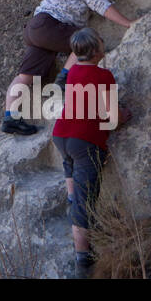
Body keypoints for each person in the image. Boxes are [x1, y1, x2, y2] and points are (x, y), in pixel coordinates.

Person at [1, 0, 136, 135]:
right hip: (49, 25)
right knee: (86, 39)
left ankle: (11, 117)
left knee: (25, 76)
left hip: (37, 29)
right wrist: (129, 24)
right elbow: (99, 4)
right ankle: (64, 79)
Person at [51, 27, 130, 275]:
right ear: (96, 50)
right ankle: (84, 257)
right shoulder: (103, 75)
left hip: (61, 134)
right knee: (86, 205)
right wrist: (124, 115)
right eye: (101, 41)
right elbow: (113, 118)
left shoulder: (73, 70)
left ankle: (71, 198)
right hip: (84, 140)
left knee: (71, 168)